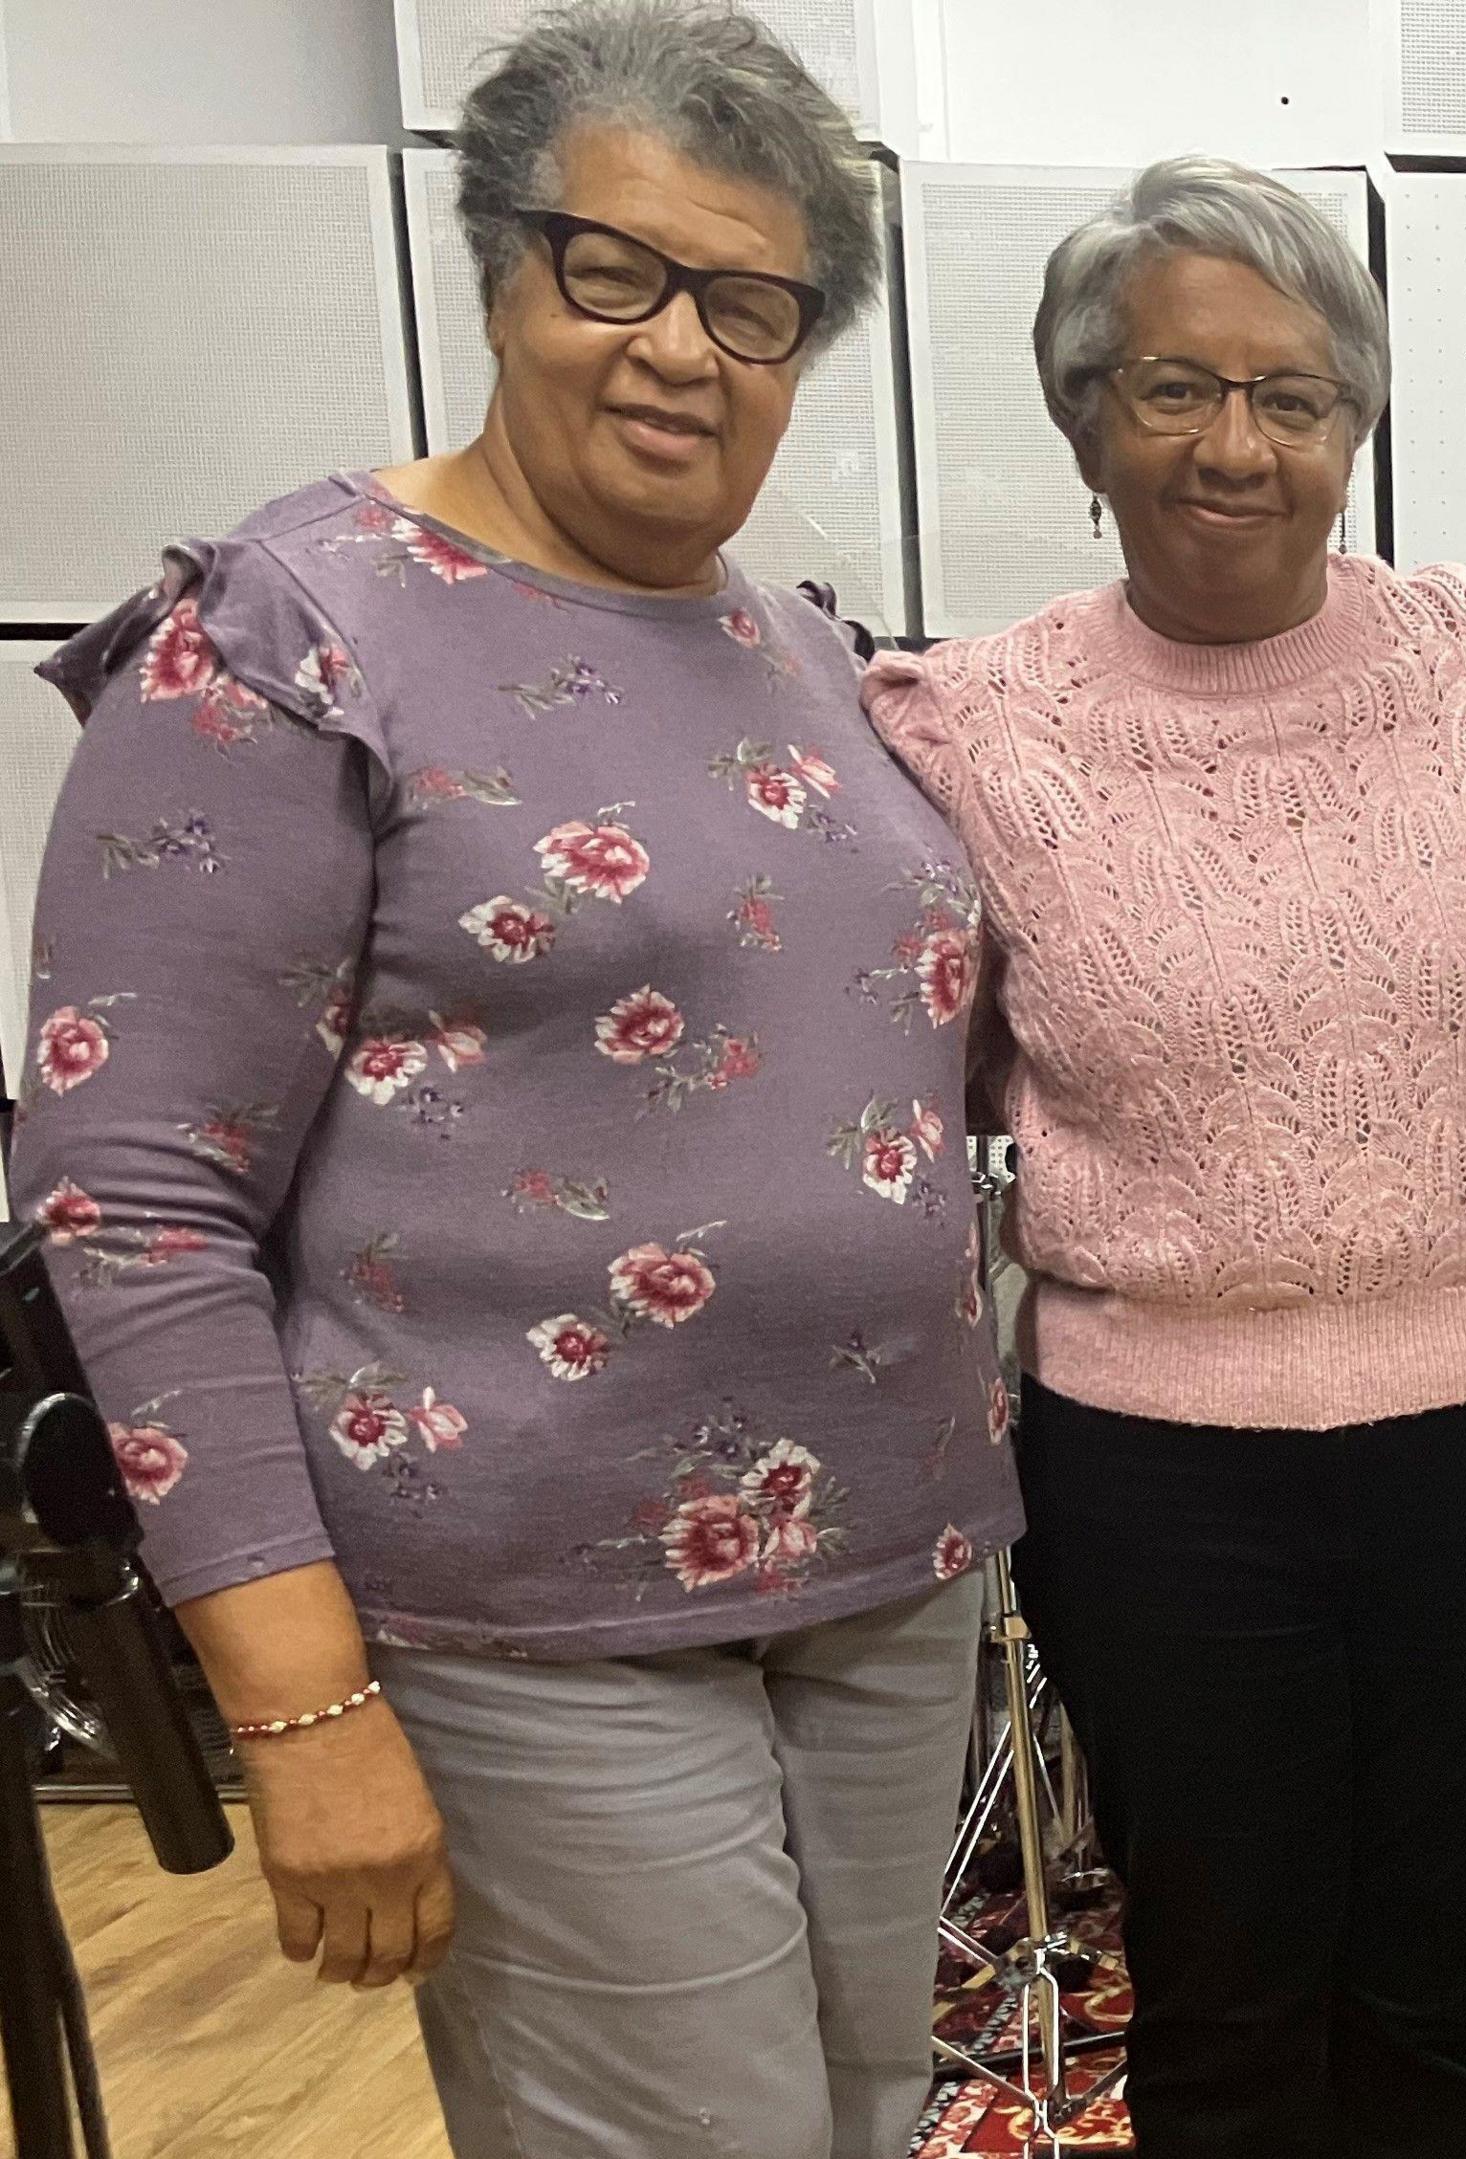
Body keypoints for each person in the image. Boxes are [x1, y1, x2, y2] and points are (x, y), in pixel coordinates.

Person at [8, 6, 1017, 2155]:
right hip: (530, 1613)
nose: (680, 349)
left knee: (858, 2112)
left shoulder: (808, 650)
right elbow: (133, 1208)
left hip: (886, 1571)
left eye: (750, 304)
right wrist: (303, 1708)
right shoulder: (286, 643)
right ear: (497, 268)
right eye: (614, 268)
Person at [858, 157, 1466, 2158]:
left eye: (1293, 395)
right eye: (1174, 387)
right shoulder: (965, 727)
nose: (1235, 444)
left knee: (1446, 1992)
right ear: (1081, 417)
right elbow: (918, 1059)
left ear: (1355, 426)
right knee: (1223, 2008)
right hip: (1158, 1477)